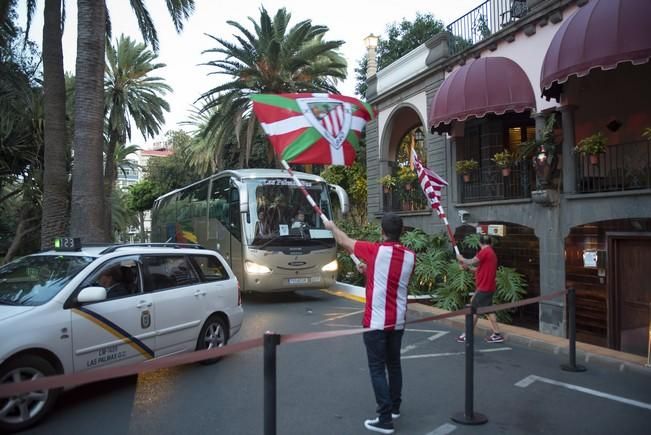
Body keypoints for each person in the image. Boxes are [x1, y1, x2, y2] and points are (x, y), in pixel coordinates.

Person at [325, 213, 415, 434]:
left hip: (376, 322)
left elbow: (344, 240)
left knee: (377, 369)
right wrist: (369, 270)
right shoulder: (410, 256)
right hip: (398, 321)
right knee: (394, 364)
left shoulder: (376, 250)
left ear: (382, 231)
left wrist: (332, 226)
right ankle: (394, 408)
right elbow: (394, 281)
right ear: (401, 232)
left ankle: (384, 419)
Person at [455, 234, 504, 343]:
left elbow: (471, 261)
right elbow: (479, 270)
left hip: (484, 287)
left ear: (479, 243)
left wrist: (461, 258)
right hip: (487, 286)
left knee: (473, 309)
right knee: (489, 310)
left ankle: (467, 334)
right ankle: (497, 334)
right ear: (490, 242)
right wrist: (467, 269)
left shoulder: (485, 251)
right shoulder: (490, 252)